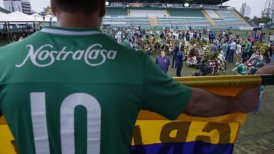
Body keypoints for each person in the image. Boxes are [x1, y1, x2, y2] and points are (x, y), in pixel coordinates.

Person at [0, 0, 259, 154]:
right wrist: (236, 103)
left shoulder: (5, 61)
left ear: (53, 6)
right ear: (102, 6)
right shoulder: (132, 64)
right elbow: (195, 103)